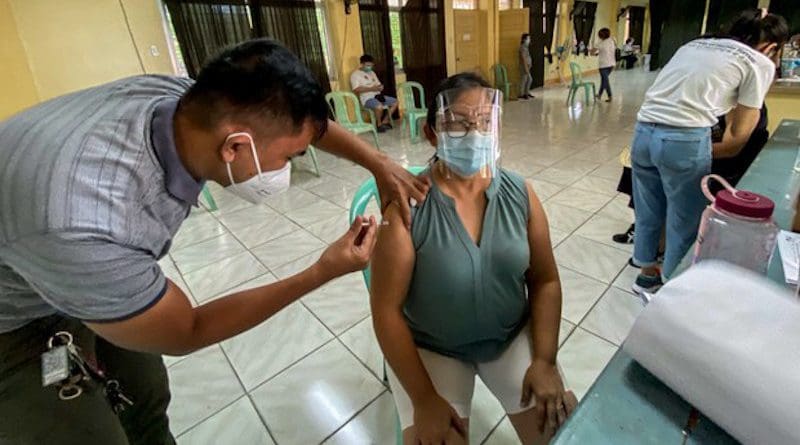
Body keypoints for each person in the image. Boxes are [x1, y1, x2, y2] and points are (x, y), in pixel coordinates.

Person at [0, 39, 430, 444]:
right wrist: (322, 271)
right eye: (289, 157)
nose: (287, 167)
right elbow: (188, 330)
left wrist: (378, 163)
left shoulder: (184, 101)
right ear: (235, 147)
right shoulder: (87, 225)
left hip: (51, 257)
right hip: (11, 325)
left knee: (145, 397)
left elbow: (304, 126)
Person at [370, 72, 577, 445]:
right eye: (459, 123)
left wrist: (544, 361)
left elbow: (545, 280)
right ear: (431, 133)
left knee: (566, 432)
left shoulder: (519, 193)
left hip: (510, 337)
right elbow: (386, 310)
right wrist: (424, 398)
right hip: (433, 348)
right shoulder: (407, 207)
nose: (475, 133)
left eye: (485, 122)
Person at [630, 9, 787, 295]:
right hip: (683, 137)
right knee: (684, 220)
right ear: (772, 47)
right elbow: (738, 138)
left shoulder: (693, 44)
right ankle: (670, 288)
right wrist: (692, 151)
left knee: (648, 210)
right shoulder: (758, 62)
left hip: (642, 132)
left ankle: (644, 274)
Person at [351, 54, 399, 132]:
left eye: (371, 65)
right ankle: (379, 125)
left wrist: (380, 86)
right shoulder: (355, 75)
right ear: (362, 64)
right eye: (367, 65)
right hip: (367, 98)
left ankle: (385, 121)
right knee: (379, 106)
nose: (369, 67)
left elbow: (377, 83)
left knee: (395, 102)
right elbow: (356, 89)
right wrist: (371, 88)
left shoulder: (372, 73)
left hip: (378, 96)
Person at [592, 28, 616, 102]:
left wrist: (593, 50)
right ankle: (599, 95)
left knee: (605, 80)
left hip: (603, 65)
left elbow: (592, 52)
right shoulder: (612, 40)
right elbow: (608, 51)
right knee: (604, 80)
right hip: (611, 64)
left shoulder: (600, 43)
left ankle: (610, 95)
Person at [519, 33, 534, 100]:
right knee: (527, 79)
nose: (529, 40)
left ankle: (526, 92)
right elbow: (523, 58)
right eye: (528, 39)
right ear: (524, 39)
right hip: (524, 67)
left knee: (527, 79)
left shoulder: (525, 47)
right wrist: (526, 67)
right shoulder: (522, 47)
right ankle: (522, 94)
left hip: (527, 66)